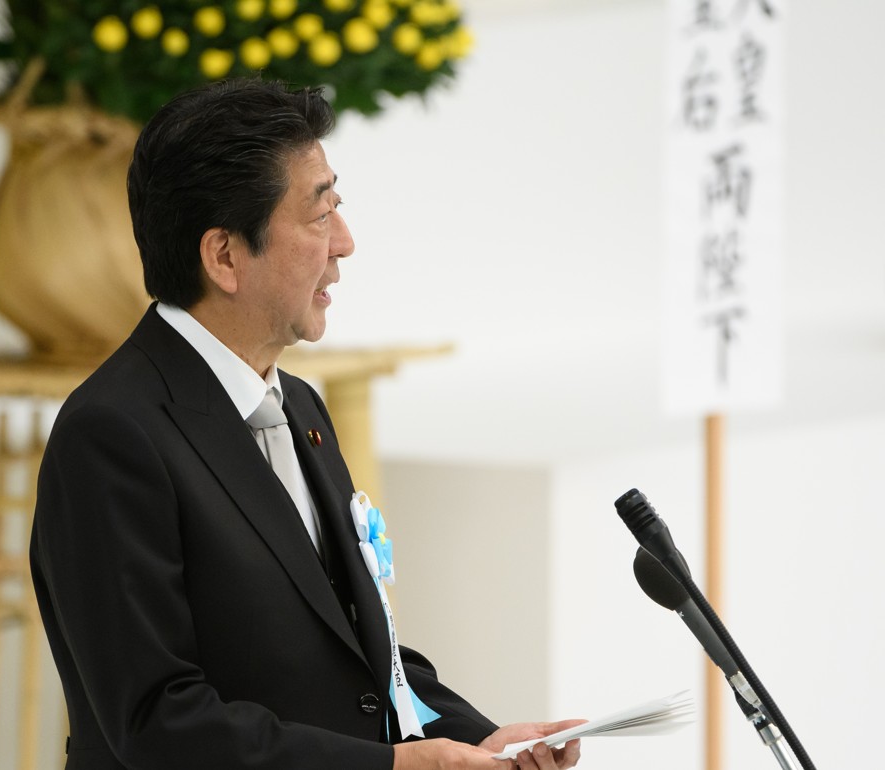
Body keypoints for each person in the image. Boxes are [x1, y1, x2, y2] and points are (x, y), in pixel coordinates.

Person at [30, 79, 583, 770]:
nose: (345, 244)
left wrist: (482, 741)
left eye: (338, 207)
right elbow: (160, 724)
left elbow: (361, 655)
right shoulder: (112, 435)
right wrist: (395, 768)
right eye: (320, 215)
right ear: (224, 256)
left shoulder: (300, 408)